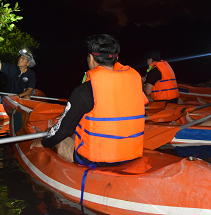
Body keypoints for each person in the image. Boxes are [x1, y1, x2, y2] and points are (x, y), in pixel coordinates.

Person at [34, 34, 146, 167]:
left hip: (96, 160)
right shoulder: (134, 82)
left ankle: (42, 138)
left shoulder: (85, 90)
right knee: (75, 132)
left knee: (55, 137)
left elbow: (62, 131)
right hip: (131, 154)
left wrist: (42, 141)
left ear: (91, 58)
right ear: (116, 58)